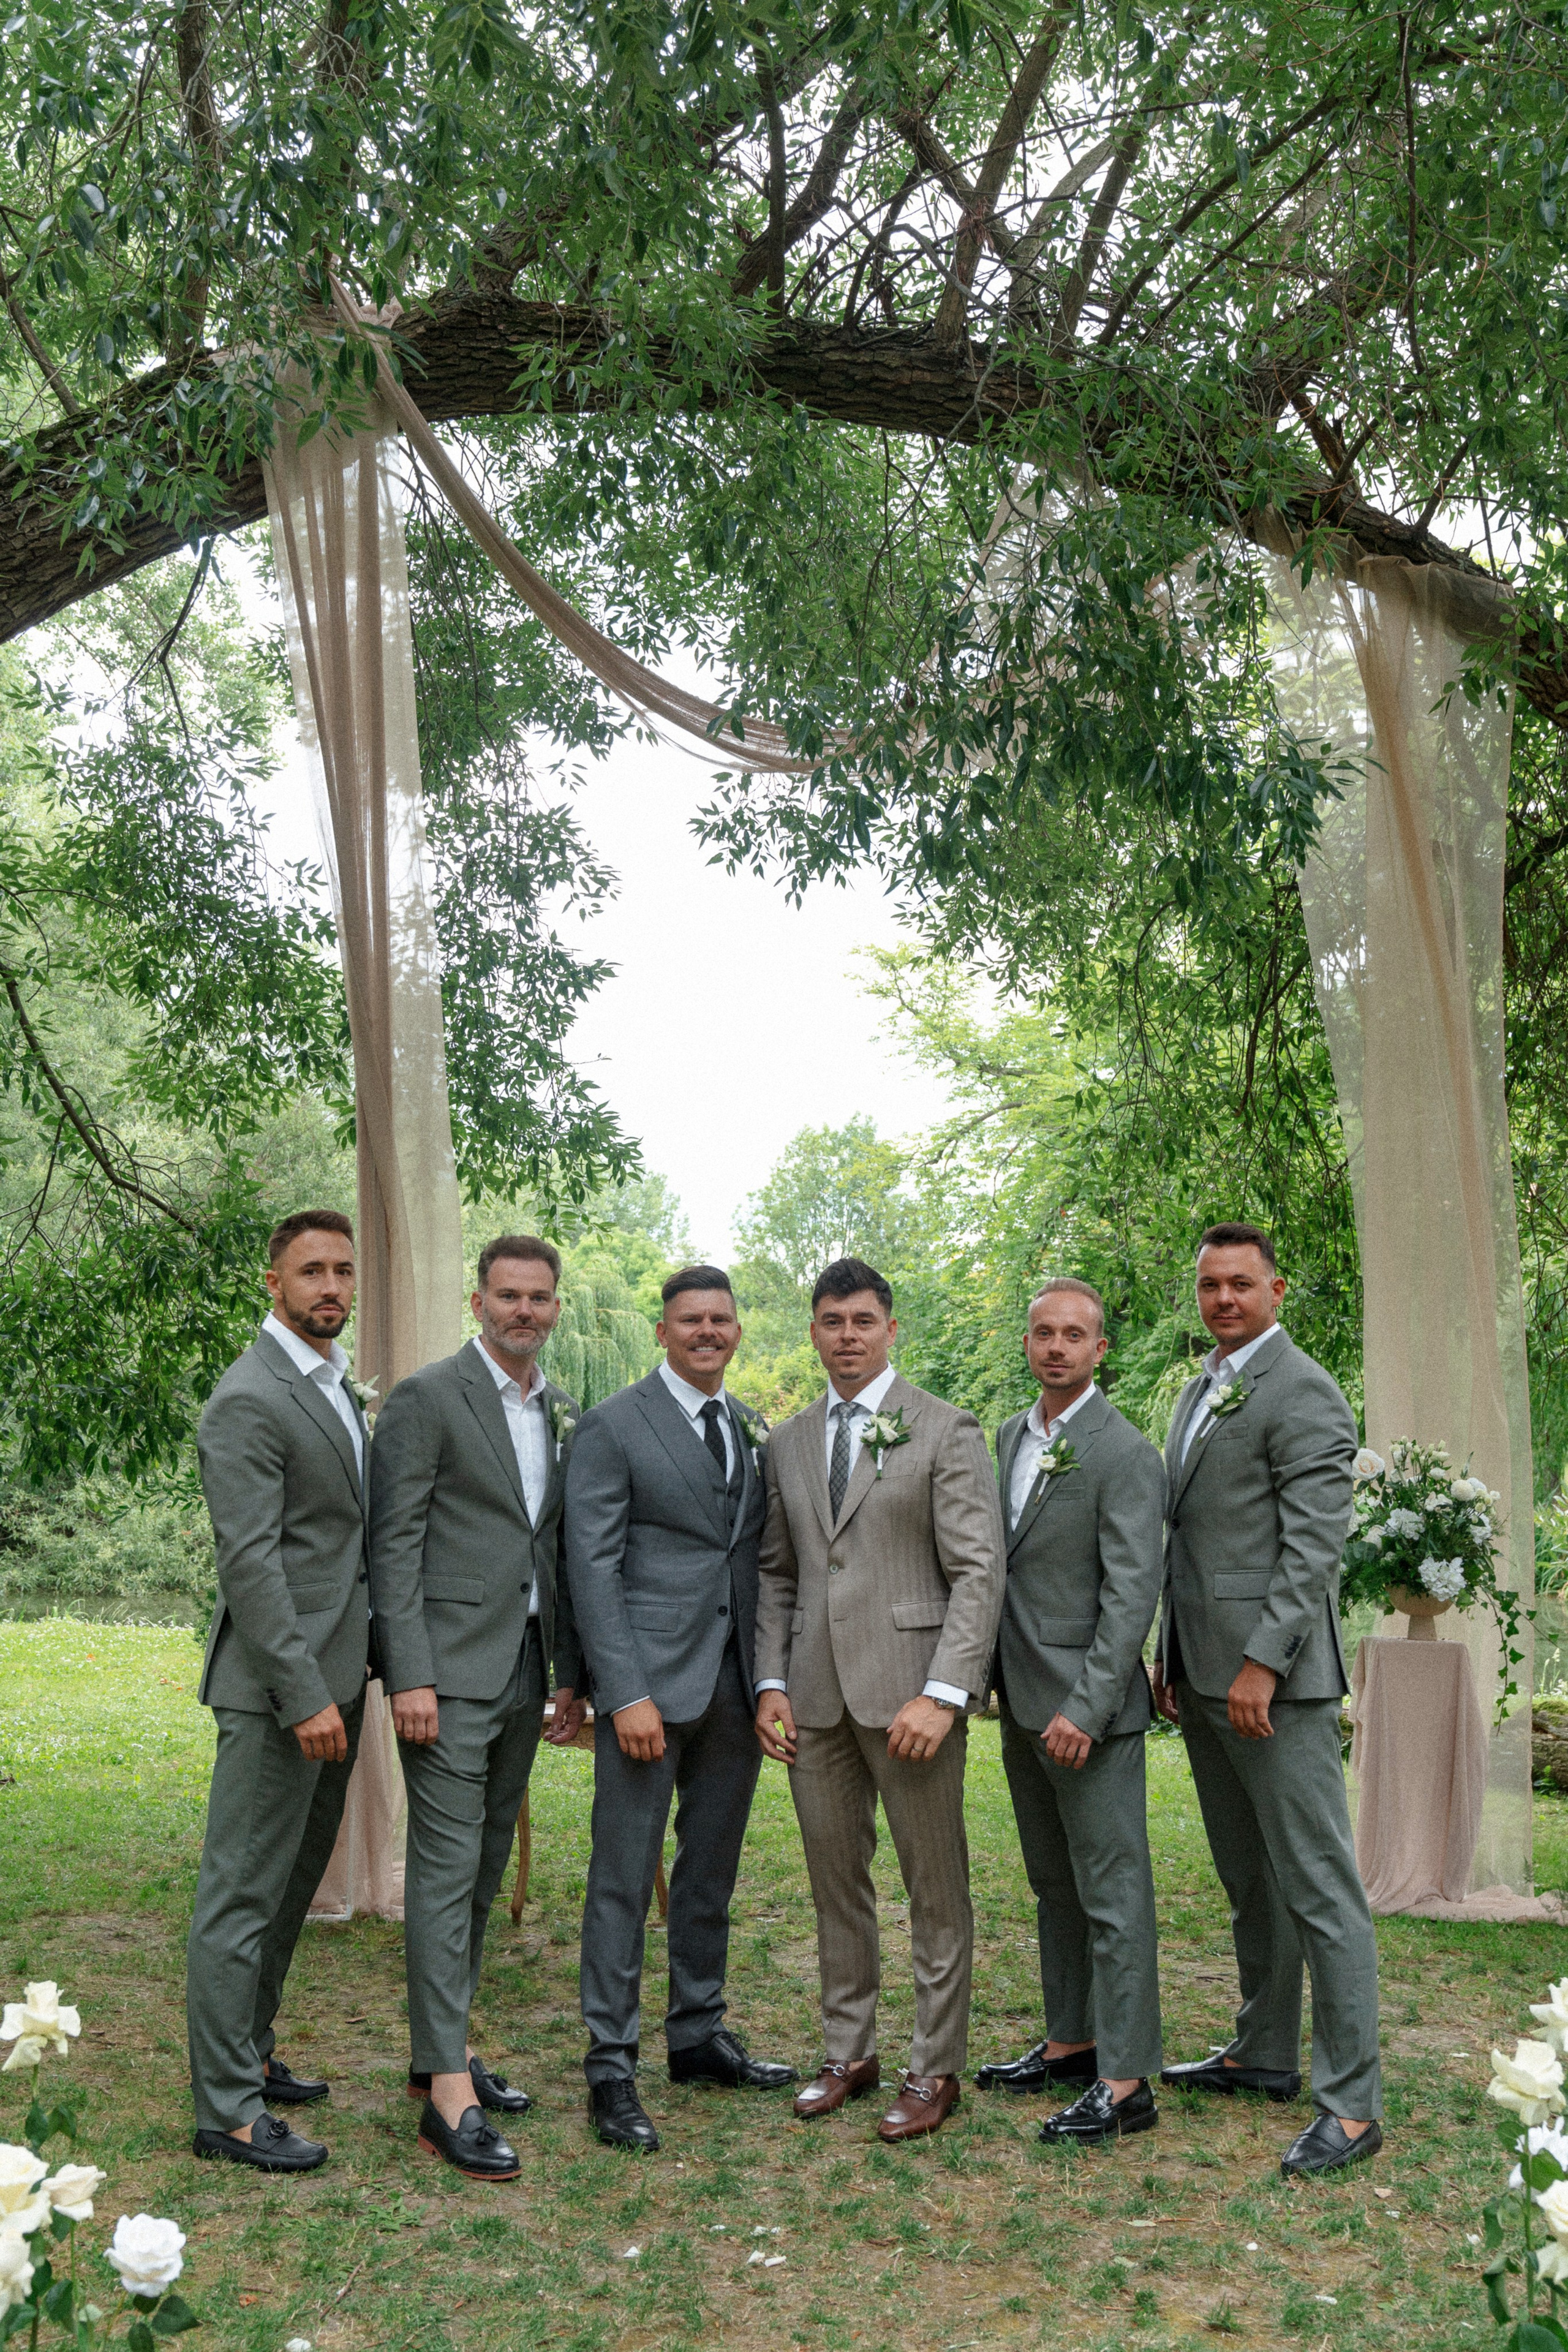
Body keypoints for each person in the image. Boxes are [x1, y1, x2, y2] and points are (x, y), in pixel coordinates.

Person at [754, 1257, 1006, 2142]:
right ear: (814, 1331)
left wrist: (943, 1694)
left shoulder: (944, 1429)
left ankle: (934, 2069)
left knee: (935, 1892)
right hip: (814, 1702)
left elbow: (979, 1572)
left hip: (912, 1704)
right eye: (831, 1321)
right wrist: (772, 1681)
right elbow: (778, 1574)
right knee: (836, 1886)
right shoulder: (786, 1442)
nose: (848, 1336)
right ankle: (847, 2052)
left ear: (890, 1329)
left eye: (863, 1320)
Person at [1153, 1221, 1383, 2178]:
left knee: (1320, 1888)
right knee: (1251, 1880)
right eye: (1210, 1285)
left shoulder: (1307, 1393)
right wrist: (1171, 1655)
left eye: (1241, 1285)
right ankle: (1263, 2053)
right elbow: (1194, 1541)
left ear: (1276, 1290)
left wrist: (1263, 1664)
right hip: (1201, 1677)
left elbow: (1311, 1551)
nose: (1224, 1301)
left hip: (1272, 1685)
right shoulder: (1198, 1388)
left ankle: (1354, 2107)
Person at [564, 1265, 796, 2152]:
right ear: (663, 1331)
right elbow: (591, 1565)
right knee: (623, 1880)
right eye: (690, 1320)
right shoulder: (613, 1425)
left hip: (734, 1691)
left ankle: (698, 2035)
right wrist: (621, 1691)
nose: (708, 1332)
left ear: (736, 1331)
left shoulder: (746, 1427)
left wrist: (768, 1678)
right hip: (647, 1694)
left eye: (721, 1319)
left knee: (710, 1874)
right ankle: (610, 2069)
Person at [369, 1235, 583, 2180]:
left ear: (555, 1308)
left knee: (485, 1870)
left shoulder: (558, 1410)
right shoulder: (425, 1400)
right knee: (447, 1872)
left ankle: (438, 2055)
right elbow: (393, 1544)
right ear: (478, 1300)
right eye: (508, 1295)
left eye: (539, 1298)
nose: (524, 1311)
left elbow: (554, 1551)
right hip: (446, 1678)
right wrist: (408, 1672)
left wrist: (566, 1672)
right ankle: (446, 2101)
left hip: (526, 1674)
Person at [187, 1210, 371, 2174]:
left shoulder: (332, 1383)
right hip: (279, 1692)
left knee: (292, 1886)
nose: (330, 1286)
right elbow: (251, 1565)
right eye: (311, 1271)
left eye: (343, 1269)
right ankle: (226, 2107)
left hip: (337, 1681)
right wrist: (304, 1694)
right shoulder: (249, 1398)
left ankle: (249, 2052)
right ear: (274, 1283)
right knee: (241, 1897)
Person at [976, 1278, 1167, 2146]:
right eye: (1044, 1333)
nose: (1057, 1347)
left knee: (1113, 1894)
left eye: (1075, 1335)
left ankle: (1127, 2084)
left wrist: (1087, 1707)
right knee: (1054, 1885)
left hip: (1089, 1716)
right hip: (1021, 1702)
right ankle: (1071, 2042)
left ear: (1101, 1351)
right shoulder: (1013, 1435)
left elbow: (1132, 1596)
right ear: (1028, 1343)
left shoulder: (1125, 1453)